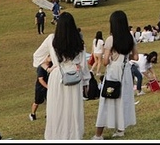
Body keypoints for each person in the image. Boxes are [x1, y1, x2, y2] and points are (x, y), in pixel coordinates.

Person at [32, 11, 88, 140]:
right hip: (74, 74)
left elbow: (37, 56)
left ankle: (56, 136)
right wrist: (85, 82)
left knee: (56, 107)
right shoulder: (79, 41)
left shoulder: (52, 39)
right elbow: (83, 64)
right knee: (73, 109)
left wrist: (48, 69)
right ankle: (73, 135)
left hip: (58, 75)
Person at [93, 10, 138, 141]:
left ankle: (98, 134)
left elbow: (106, 61)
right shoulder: (131, 37)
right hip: (126, 70)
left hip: (114, 71)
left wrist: (114, 56)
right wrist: (124, 56)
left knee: (107, 99)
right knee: (123, 98)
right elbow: (135, 56)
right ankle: (120, 129)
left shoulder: (111, 39)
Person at [30, 56, 50, 121]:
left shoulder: (51, 66)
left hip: (48, 86)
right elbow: (40, 79)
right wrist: (47, 86)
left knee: (49, 100)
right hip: (40, 87)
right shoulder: (41, 67)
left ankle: (48, 114)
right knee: (37, 101)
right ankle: (33, 114)